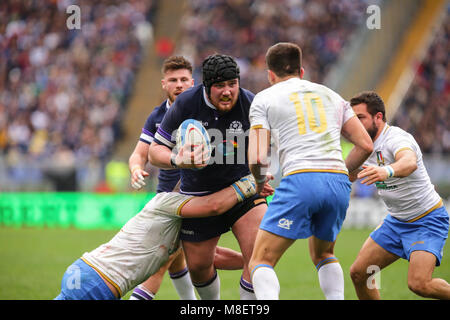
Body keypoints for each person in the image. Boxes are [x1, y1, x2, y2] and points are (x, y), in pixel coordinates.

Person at [247, 42, 373, 300]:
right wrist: (343, 173)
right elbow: (365, 144)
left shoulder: (264, 98)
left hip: (301, 179)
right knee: (324, 254)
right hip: (337, 183)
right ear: (301, 71)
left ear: (270, 74)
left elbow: (257, 156)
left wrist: (259, 183)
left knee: (261, 260)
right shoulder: (332, 95)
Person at [148, 54, 274, 300]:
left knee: (257, 256)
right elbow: (154, 152)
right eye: (219, 86)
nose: (227, 92)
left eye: (232, 84)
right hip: (199, 197)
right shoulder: (185, 104)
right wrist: (178, 160)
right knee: (198, 267)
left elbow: (262, 152)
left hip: (243, 192)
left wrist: (260, 179)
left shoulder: (252, 104)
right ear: (206, 87)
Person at [128, 56, 243, 300]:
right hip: (169, 198)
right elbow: (140, 154)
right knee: (175, 257)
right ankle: (258, 263)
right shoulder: (157, 116)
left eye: (183, 80)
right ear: (164, 84)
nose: (179, 85)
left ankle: (259, 263)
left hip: (196, 194)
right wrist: (137, 169)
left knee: (168, 257)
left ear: (193, 82)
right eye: (173, 80)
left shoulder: (207, 109)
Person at [54, 174, 256, 300]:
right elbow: (214, 205)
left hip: (86, 270)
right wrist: (249, 184)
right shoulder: (169, 203)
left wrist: (254, 262)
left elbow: (213, 256)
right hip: (99, 282)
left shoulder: (181, 223)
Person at [347, 91, 450, 300]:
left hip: (427, 220)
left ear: (378, 117)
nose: (355, 124)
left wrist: (387, 170)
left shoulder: (396, 138)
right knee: (361, 272)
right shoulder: (363, 146)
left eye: (360, 118)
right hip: (396, 222)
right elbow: (345, 174)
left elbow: (409, 162)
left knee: (420, 284)